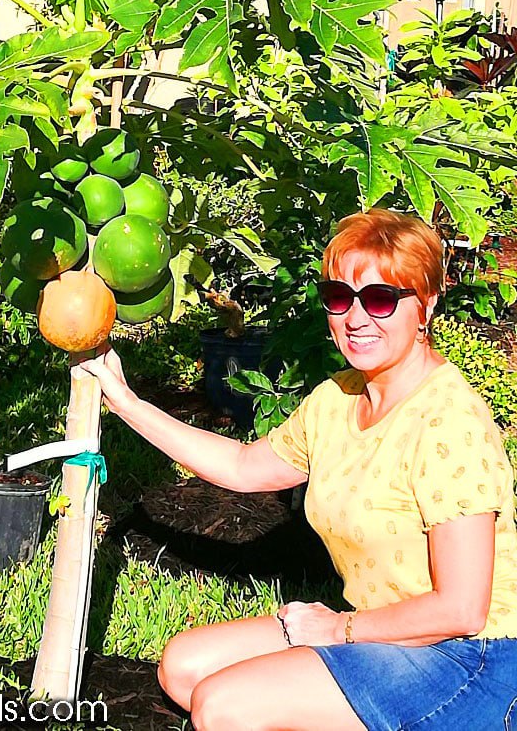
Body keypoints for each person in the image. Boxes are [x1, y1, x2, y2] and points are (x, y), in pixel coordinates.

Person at [79, 209, 517, 731]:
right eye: (339, 297)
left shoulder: (449, 422)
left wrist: (339, 629)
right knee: (184, 669)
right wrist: (125, 402)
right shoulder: (337, 399)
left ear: (425, 305)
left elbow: (462, 609)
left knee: (224, 707)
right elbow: (242, 466)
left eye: (380, 299)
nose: (356, 318)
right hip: (381, 636)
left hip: (469, 661)